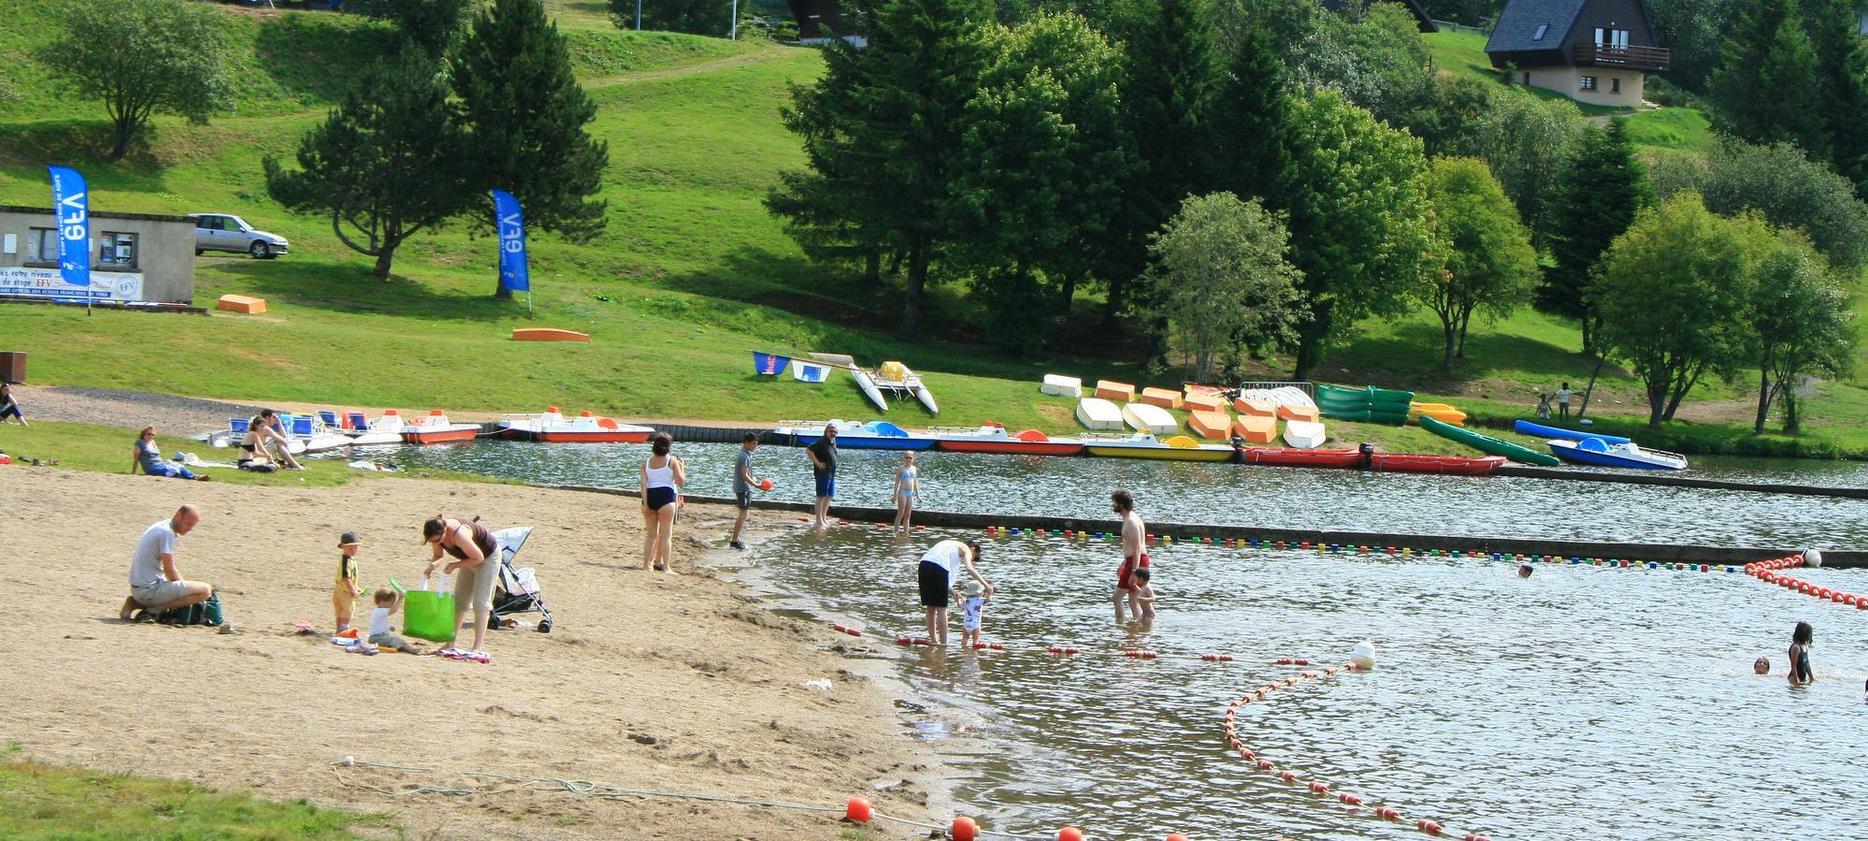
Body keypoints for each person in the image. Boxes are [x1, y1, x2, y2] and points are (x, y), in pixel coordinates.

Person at [422, 515, 501, 659]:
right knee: (459, 602)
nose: (436, 542)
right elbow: (438, 555)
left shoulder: (459, 534)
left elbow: (479, 558)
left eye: (438, 540)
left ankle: (476, 648)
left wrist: (455, 565)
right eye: (432, 541)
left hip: (487, 557)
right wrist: (431, 567)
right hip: (468, 558)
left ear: (444, 530)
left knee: (481, 602)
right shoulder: (437, 535)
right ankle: (449, 644)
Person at [120, 505, 214, 620]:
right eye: (189, 524)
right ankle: (154, 610)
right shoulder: (167, 533)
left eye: (193, 525)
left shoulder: (162, 525)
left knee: (185, 588)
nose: (191, 528)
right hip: (148, 591)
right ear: (179, 516)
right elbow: (170, 570)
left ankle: (134, 603)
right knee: (205, 591)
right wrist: (185, 592)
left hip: (138, 589)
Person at [918, 538, 988, 647]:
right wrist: (986, 585)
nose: (970, 560)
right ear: (973, 550)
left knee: (930, 608)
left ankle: (934, 640)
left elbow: (945, 579)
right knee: (941, 609)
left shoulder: (950, 545)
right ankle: (943, 644)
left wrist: (952, 591)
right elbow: (969, 569)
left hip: (923, 564)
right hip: (938, 567)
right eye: (974, 558)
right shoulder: (966, 549)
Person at [639, 432, 686, 572]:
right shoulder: (672, 461)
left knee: (650, 535)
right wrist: (682, 466)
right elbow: (680, 481)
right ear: (668, 447)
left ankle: (646, 565)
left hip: (650, 496)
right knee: (666, 535)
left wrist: (646, 504)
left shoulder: (645, 463)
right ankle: (666, 567)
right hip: (666, 497)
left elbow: (643, 485)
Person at [1112, 489, 1148, 622]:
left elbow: (1137, 547)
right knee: (1133, 599)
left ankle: (1120, 625)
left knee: (1116, 598)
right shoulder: (1130, 518)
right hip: (1133, 560)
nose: (1113, 506)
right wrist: (1123, 564)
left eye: (1114, 503)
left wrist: (1134, 572)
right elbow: (1131, 547)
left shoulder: (1131, 521)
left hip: (1136, 561)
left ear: (1121, 504)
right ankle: (1136, 629)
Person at [728, 433, 766, 551]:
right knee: (742, 515)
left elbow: (748, 474)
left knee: (743, 514)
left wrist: (754, 480)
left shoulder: (746, 454)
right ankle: (734, 541)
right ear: (747, 443)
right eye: (754, 443)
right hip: (743, 488)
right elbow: (744, 475)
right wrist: (756, 485)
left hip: (744, 487)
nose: (755, 446)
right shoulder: (744, 456)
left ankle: (736, 539)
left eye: (756, 443)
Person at [130, 427, 209, 481]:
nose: (151, 436)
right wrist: (133, 472)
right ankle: (188, 478)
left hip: (161, 464)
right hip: (152, 468)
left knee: (179, 466)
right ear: (143, 434)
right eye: (149, 434)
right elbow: (136, 459)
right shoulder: (139, 443)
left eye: (153, 434)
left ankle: (196, 477)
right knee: (173, 471)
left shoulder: (152, 442)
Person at [366, 588, 428, 654]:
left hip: (380, 637)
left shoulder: (379, 611)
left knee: (399, 640)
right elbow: (394, 610)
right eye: (391, 603)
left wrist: (388, 628)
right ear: (383, 602)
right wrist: (400, 598)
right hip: (376, 639)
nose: (392, 605)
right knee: (395, 640)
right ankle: (410, 650)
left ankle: (403, 648)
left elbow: (378, 625)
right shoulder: (379, 611)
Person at [807, 424, 838, 532]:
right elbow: (808, 450)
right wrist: (818, 463)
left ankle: (824, 518)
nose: (833, 433)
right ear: (826, 431)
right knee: (821, 496)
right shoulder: (821, 442)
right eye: (831, 431)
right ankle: (818, 521)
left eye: (835, 432)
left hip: (831, 473)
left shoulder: (833, 442)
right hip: (822, 473)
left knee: (829, 496)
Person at [333, 531, 362, 633]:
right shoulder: (346, 561)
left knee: (340, 611)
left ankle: (339, 630)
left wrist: (356, 587)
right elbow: (346, 577)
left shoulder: (350, 559)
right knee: (347, 611)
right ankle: (344, 631)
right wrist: (352, 589)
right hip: (345, 591)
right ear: (343, 547)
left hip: (341, 589)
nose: (353, 550)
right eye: (350, 548)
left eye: (355, 547)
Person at [892, 451, 920, 533]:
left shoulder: (914, 468)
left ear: (913, 459)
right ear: (904, 458)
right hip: (902, 492)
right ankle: (895, 532)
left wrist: (918, 495)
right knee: (901, 513)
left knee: (908, 515)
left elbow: (915, 482)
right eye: (906, 457)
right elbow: (897, 482)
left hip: (910, 493)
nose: (908, 459)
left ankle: (906, 532)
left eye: (910, 458)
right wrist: (894, 495)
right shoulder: (901, 469)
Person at [1788, 621, 1814, 686]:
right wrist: (1796, 681)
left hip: (1802, 678)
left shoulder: (1805, 646)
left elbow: (1807, 664)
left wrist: (1811, 678)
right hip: (1794, 678)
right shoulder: (1796, 647)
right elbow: (1793, 665)